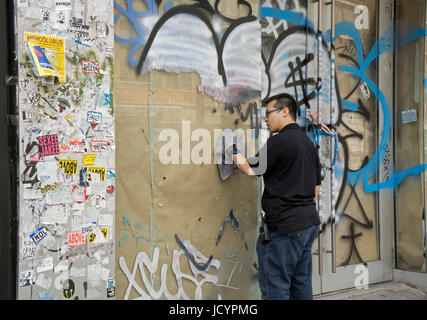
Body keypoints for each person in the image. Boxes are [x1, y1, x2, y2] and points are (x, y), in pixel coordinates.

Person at [232, 93, 321, 300]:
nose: (265, 118)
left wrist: (232, 150)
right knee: (301, 285)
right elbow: (316, 188)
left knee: (276, 287)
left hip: (284, 228)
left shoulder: (279, 142)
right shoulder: (308, 144)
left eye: (268, 112)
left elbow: (250, 169)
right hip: (308, 224)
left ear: (285, 111)